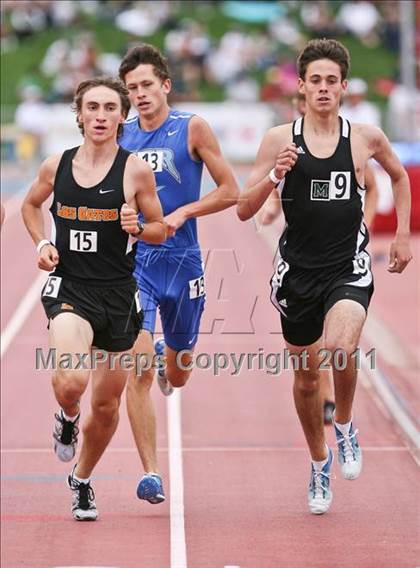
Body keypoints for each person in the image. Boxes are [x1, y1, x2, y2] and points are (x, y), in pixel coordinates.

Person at [237, 39, 412, 514]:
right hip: (297, 274)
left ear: (343, 88)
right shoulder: (279, 139)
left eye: (331, 81)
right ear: (302, 87)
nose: (323, 88)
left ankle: (348, 425)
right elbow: (244, 209)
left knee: (339, 348)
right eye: (315, 80)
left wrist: (400, 235)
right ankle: (318, 462)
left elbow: (398, 176)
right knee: (308, 381)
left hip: (348, 266)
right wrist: (275, 176)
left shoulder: (365, 136)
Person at [21, 76, 166, 521]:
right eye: (92, 108)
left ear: (122, 116)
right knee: (72, 382)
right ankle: (66, 416)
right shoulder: (56, 166)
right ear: (79, 114)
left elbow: (160, 229)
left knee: (105, 409)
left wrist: (137, 227)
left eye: (109, 108)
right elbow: (30, 207)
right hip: (70, 288)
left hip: (119, 296)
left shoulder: (135, 170)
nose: (100, 116)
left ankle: (81, 479)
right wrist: (41, 243)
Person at [117, 44, 239, 504]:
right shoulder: (122, 137)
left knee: (180, 374)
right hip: (138, 265)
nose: (141, 94)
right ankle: (150, 472)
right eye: (132, 88)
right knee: (139, 368)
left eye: (147, 84)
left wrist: (185, 211)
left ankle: (175, 352)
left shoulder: (191, 128)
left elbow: (231, 190)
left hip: (184, 262)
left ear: (165, 85)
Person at [259, 92, 379, 425]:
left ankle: (336, 409)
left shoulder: (348, 140)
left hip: (341, 258)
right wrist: (271, 203)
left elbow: (370, 186)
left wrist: (361, 221)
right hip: (302, 258)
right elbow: (269, 185)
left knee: (337, 340)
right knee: (311, 351)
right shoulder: (285, 140)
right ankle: (323, 397)